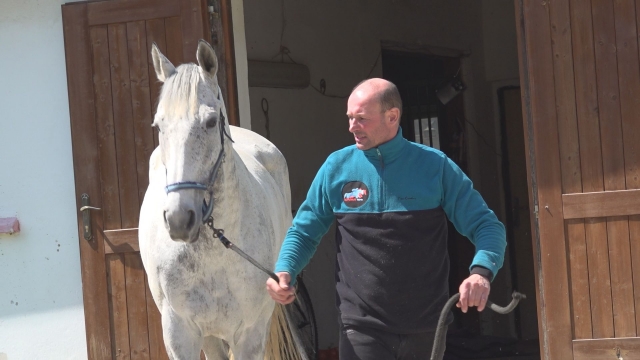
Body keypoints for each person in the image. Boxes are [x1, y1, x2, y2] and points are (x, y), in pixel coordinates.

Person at [266, 78, 506, 359]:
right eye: (350, 117)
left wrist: (481, 274)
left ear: (392, 117)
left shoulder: (435, 167)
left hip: (427, 327)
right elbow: (304, 232)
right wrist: (285, 270)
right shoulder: (336, 167)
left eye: (361, 119)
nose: (352, 127)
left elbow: (487, 226)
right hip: (360, 327)